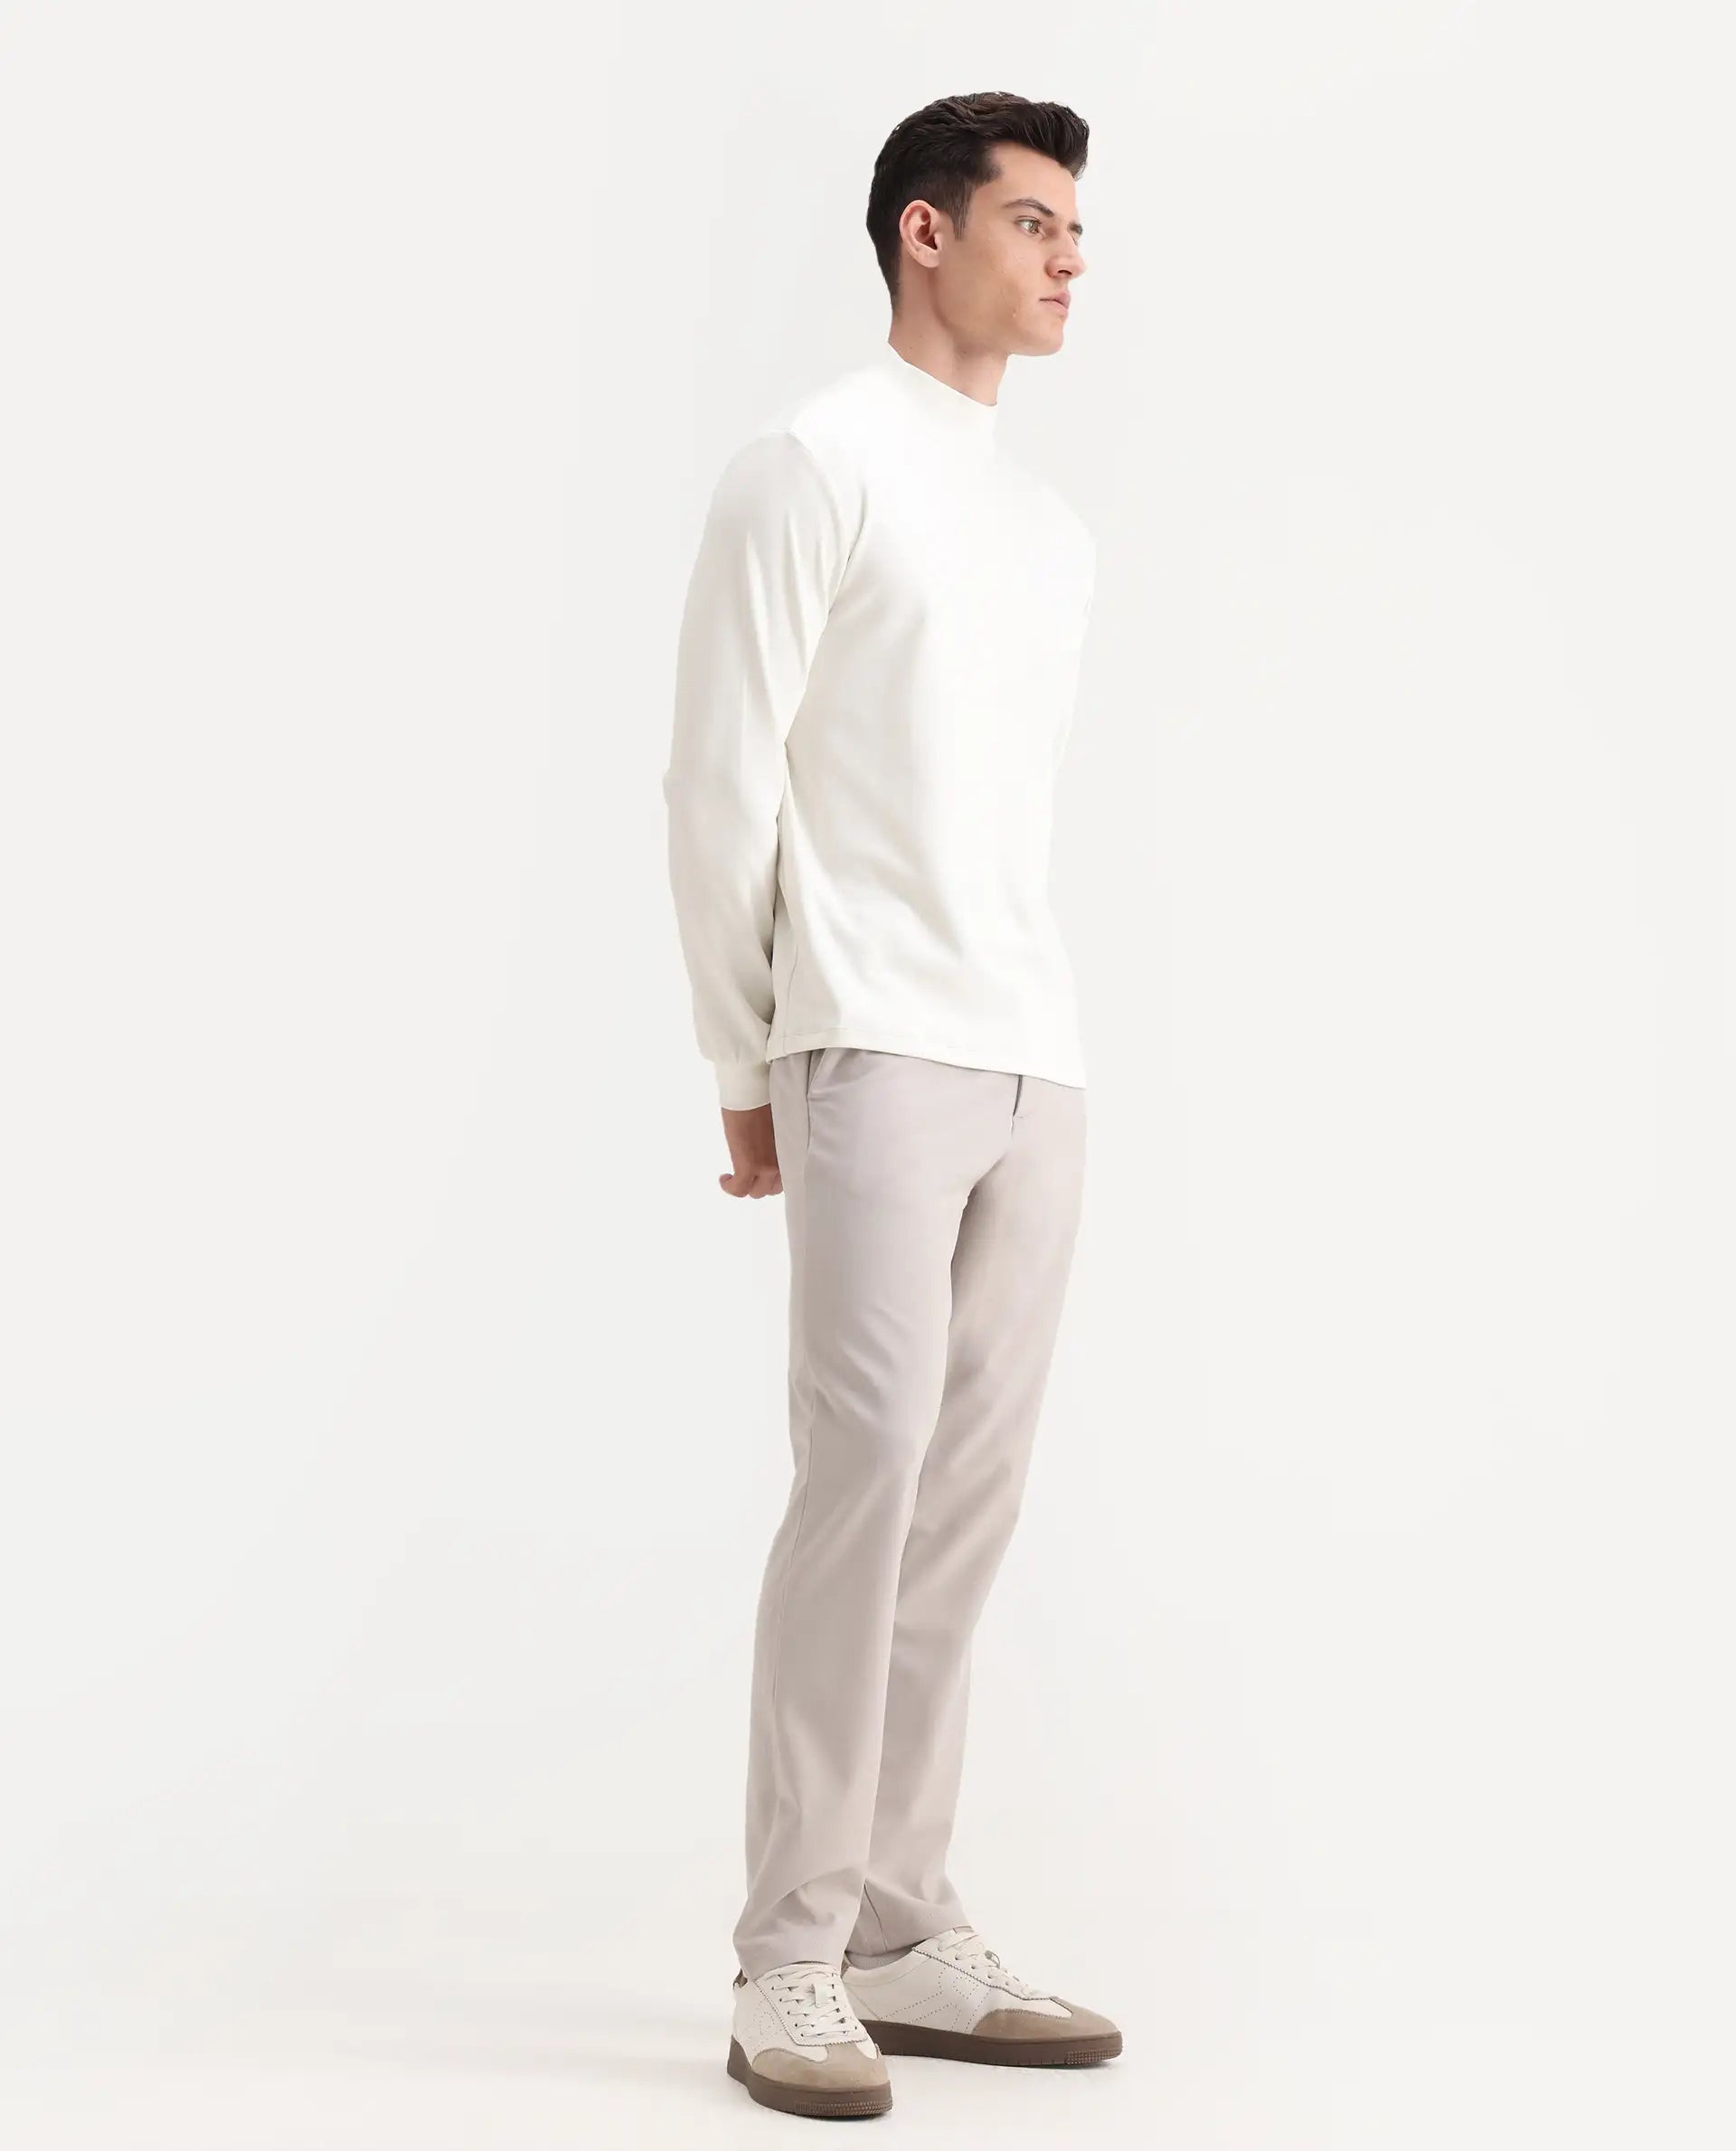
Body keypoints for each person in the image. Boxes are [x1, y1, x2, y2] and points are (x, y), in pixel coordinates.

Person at [662, 90, 1121, 2121]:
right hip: (864, 1037)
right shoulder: (811, 464)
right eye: (1034, 221)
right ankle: (790, 1949)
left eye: (1078, 228)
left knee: (967, 1500)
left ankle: (904, 1923)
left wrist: (1046, 1063)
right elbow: (718, 779)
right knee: (863, 1475)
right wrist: (745, 1051)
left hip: (1036, 1054)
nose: (1071, 257)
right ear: (925, 233)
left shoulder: (1050, 530)